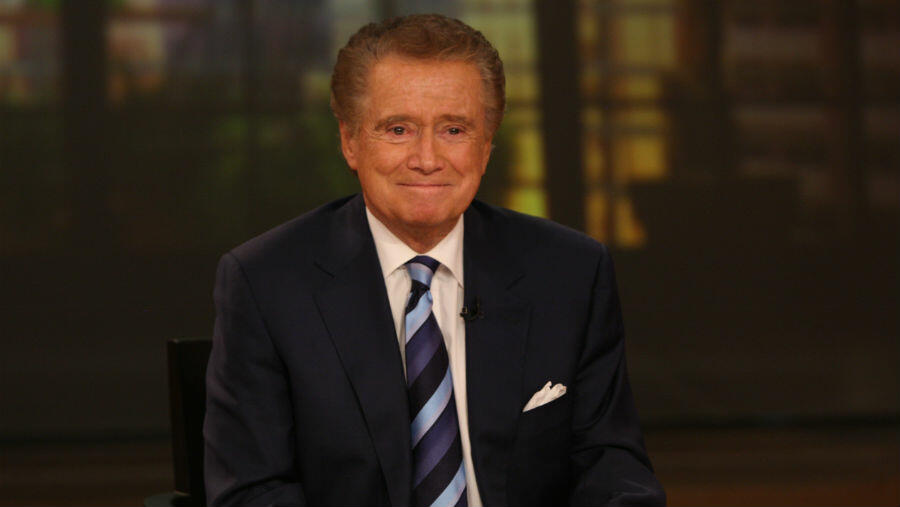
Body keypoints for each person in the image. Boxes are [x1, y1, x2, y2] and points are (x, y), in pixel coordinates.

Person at [204, 13, 665, 507]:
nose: (427, 158)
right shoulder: (266, 283)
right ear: (350, 141)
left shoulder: (570, 272)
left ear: (486, 146)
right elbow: (252, 492)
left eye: (454, 129)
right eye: (398, 129)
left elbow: (612, 466)